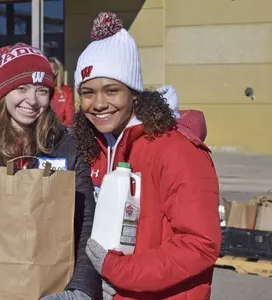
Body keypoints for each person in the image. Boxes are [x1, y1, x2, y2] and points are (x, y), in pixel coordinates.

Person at [72, 13, 221, 300]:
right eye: (88, 93)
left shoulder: (175, 149)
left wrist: (117, 271)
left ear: (134, 94)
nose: (99, 103)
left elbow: (200, 244)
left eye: (112, 90)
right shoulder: (96, 148)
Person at [0, 43, 101, 300]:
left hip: (53, 288)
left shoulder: (68, 146)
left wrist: (79, 290)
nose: (32, 101)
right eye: (21, 88)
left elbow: (85, 226)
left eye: (41, 91)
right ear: (3, 93)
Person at [49, 57, 75, 126]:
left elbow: (69, 117)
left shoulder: (66, 91)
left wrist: (61, 131)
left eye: (51, 69)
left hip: (60, 131)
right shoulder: (39, 90)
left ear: (57, 71)